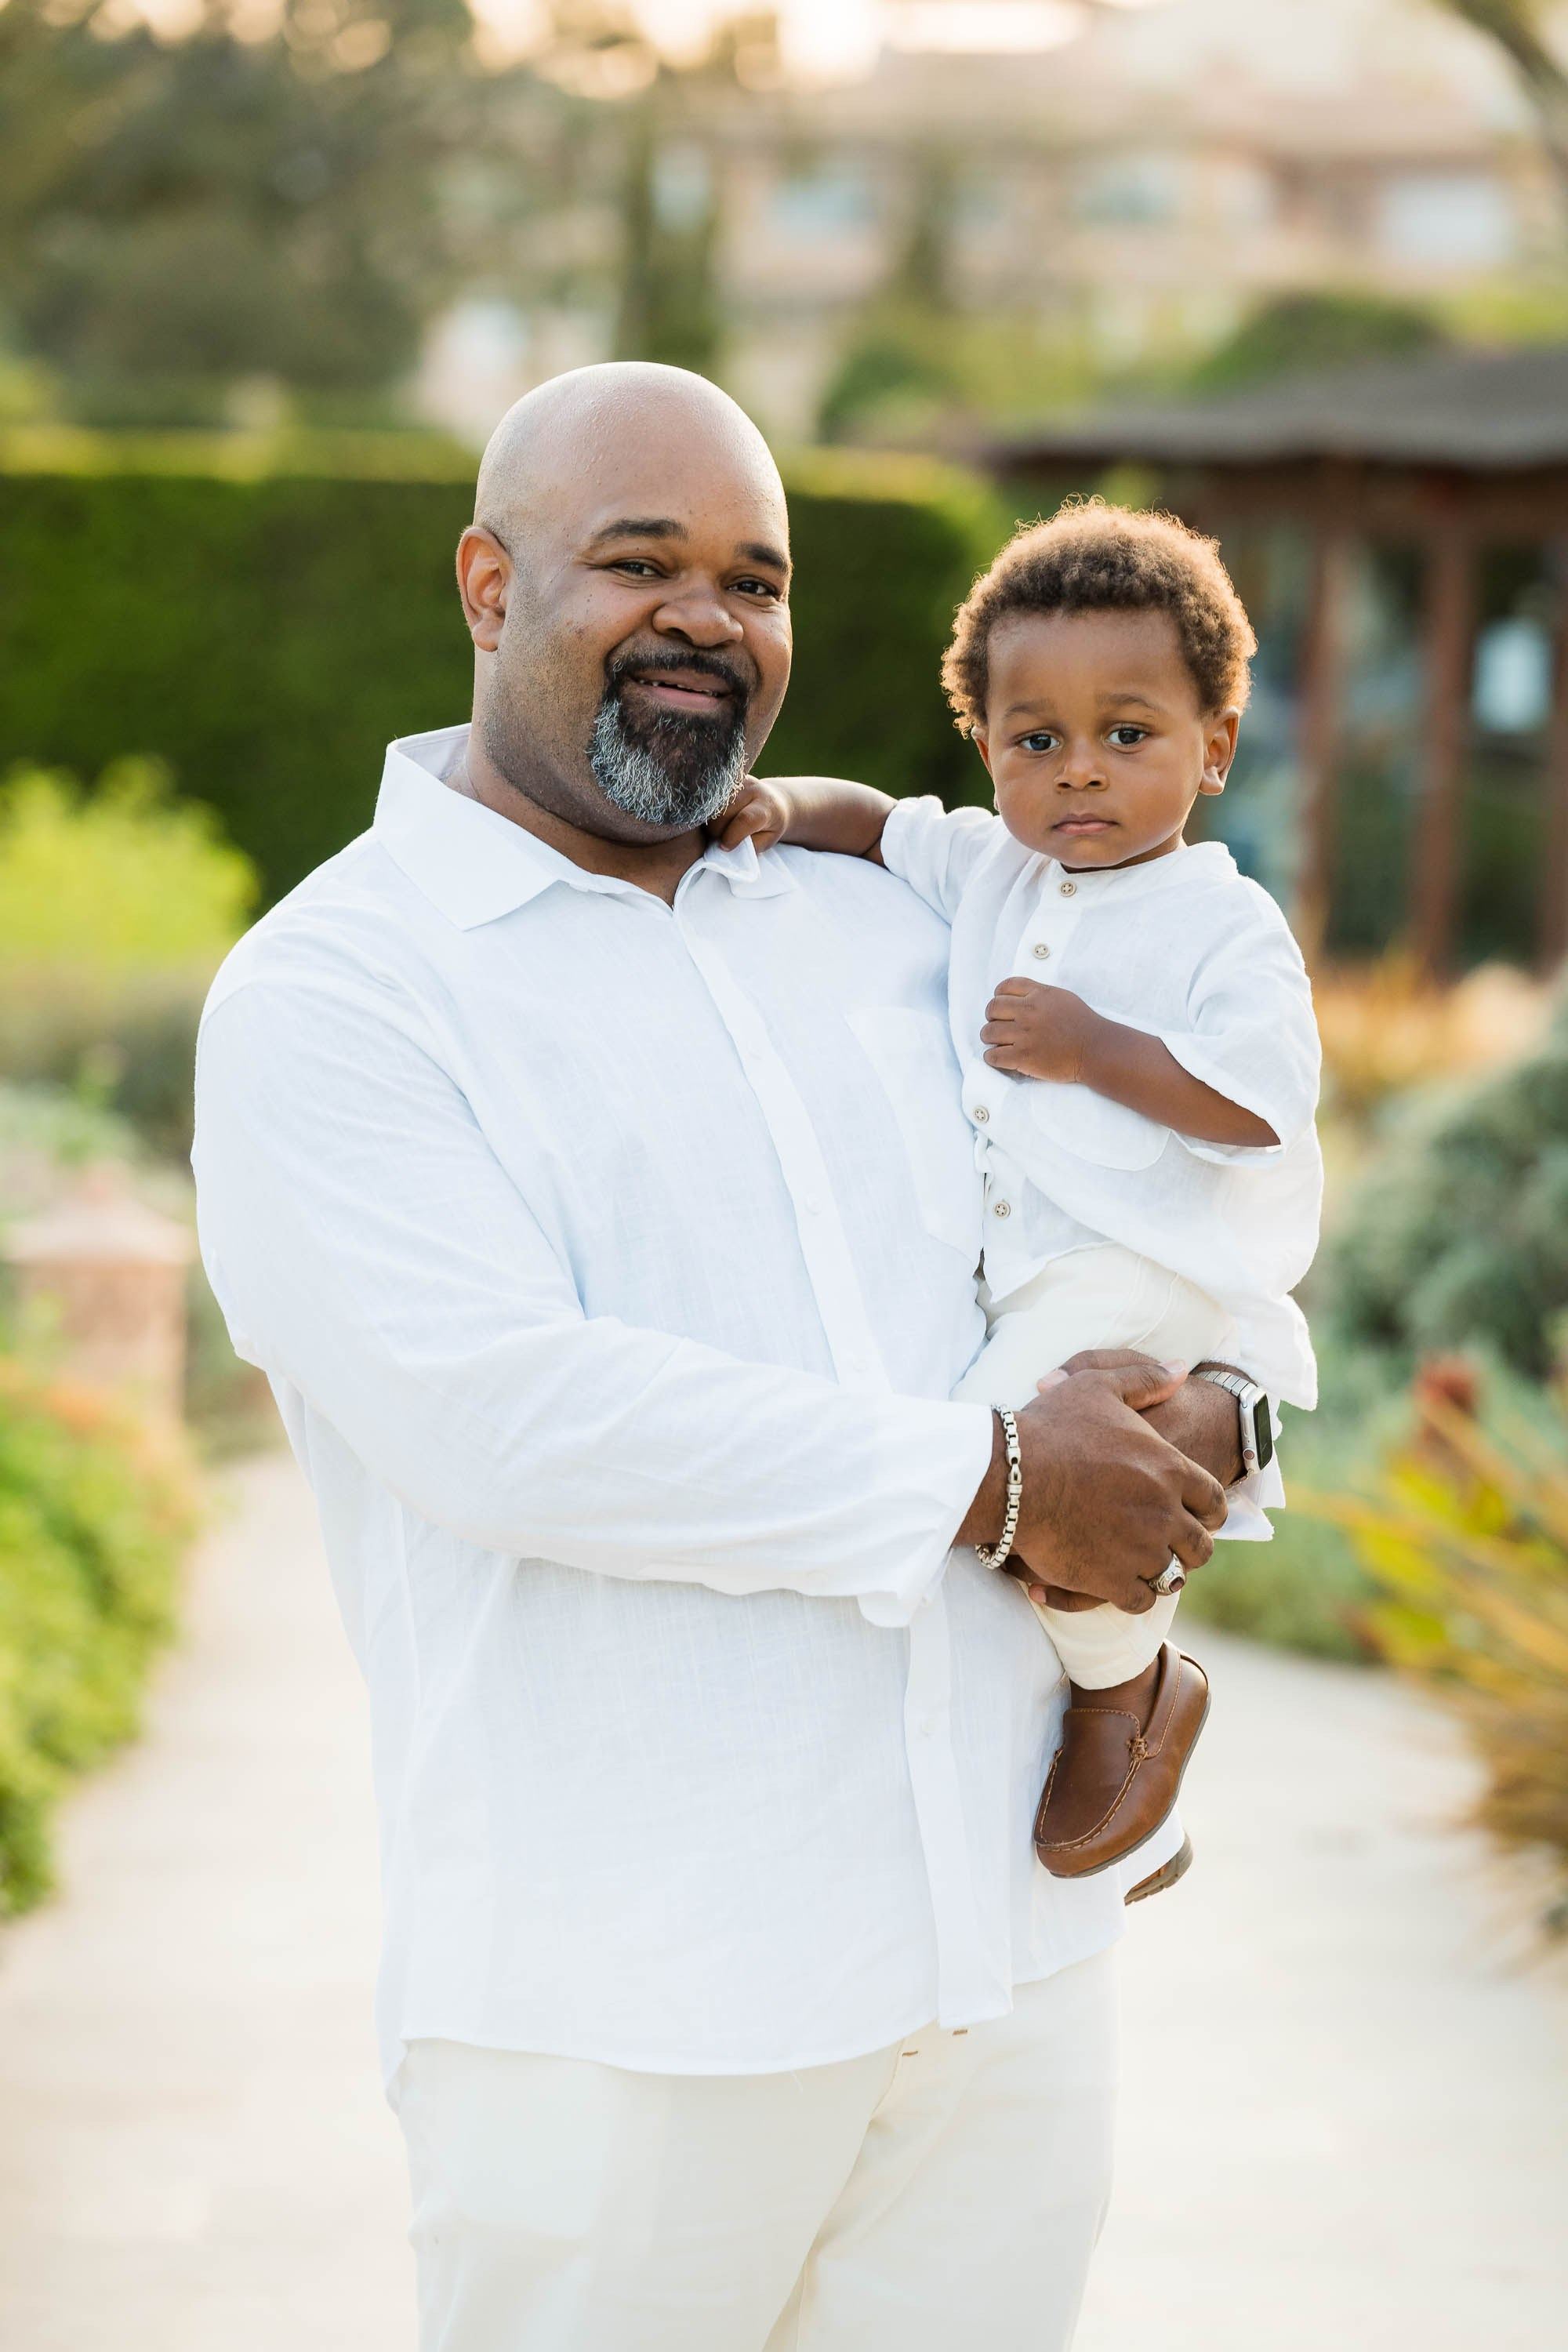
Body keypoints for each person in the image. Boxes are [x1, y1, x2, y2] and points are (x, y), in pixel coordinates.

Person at [192, 365, 1257, 2352]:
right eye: (640, 563)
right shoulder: (335, 994)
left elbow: (1137, 1208)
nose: (710, 619)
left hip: (1002, 1969)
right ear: (488, 584)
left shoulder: (890, 932)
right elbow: (503, 1417)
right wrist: (1001, 1479)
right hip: (630, 2017)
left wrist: (1223, 1415)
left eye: (755, 581)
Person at [723, 501, 1322, 1892]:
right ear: (986, 748)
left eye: (1129, 734)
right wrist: (775, 807)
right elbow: (879, 829)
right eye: (1033, 740)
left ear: (1214, 748)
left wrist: (1094, 1049)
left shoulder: (1220, 921)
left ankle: (1133, 1697)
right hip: (1042, 1266)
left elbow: (1260, 1106)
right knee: (1006, 1487)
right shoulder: (995, 865)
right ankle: (1127, 1715)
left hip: (1141, 1261)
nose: (1079, 775)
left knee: (996, 1466)